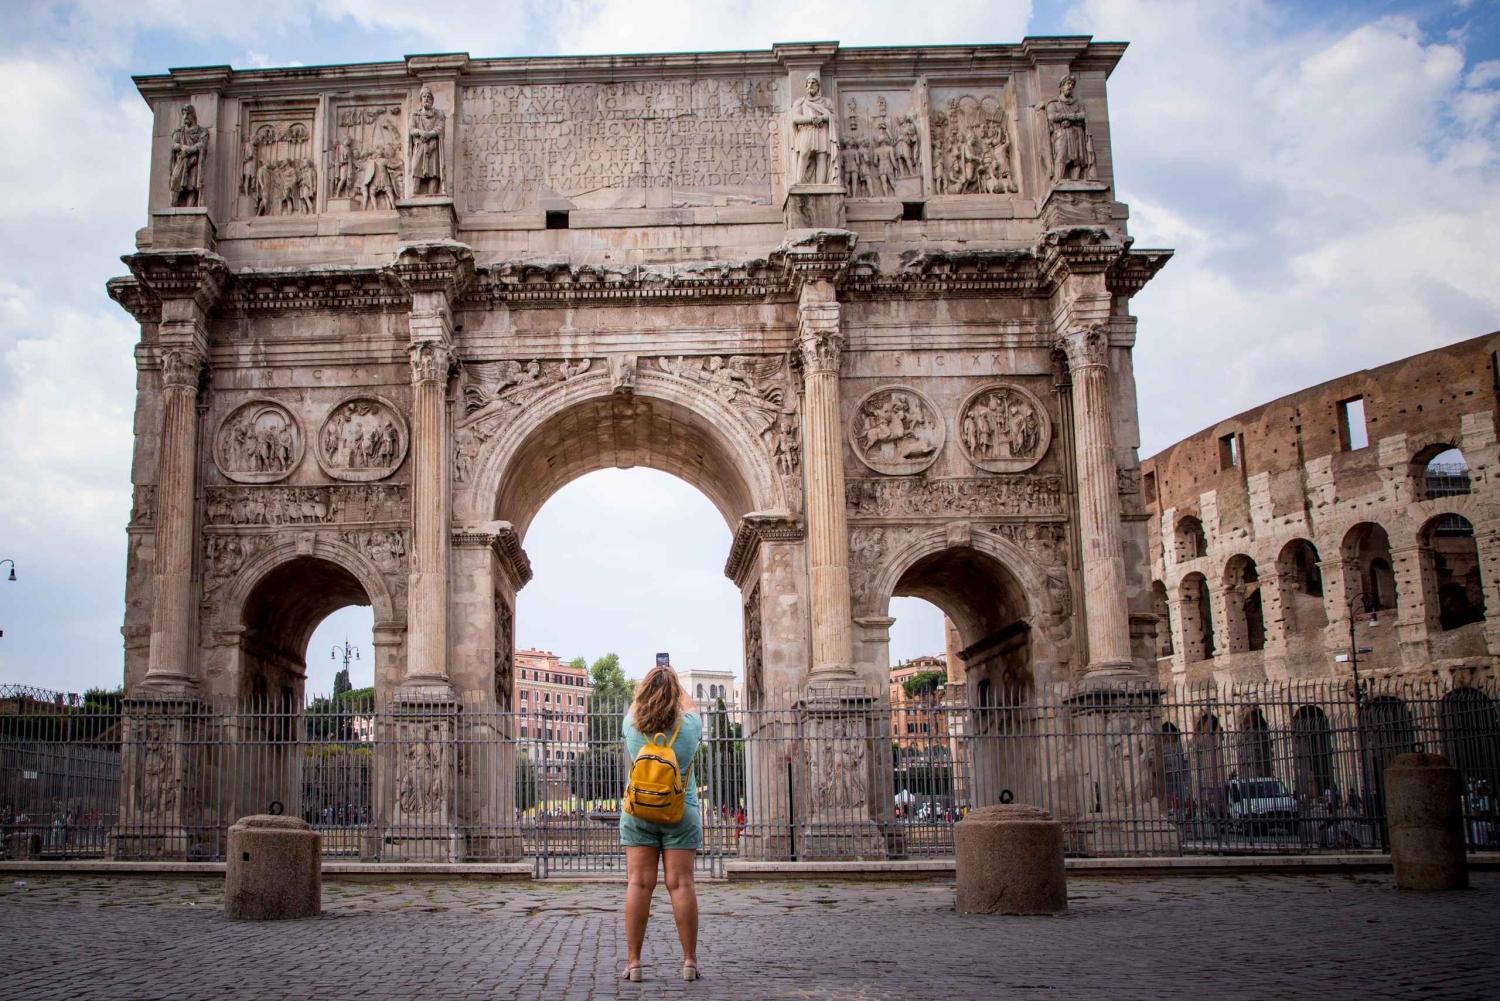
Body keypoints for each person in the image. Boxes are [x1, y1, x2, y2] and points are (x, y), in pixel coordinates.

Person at [620, 663, 703, 982]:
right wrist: (673, 680)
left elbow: (633, 706)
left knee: (639, 884)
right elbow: (691, 705)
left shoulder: (632, 725)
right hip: (680, 811)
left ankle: (635, 963)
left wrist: (650, 680)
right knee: (681, 884)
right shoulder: (690, 727)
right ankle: (689, 962)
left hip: (638, 811)